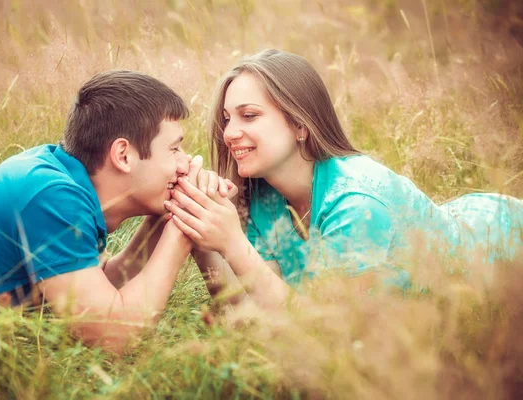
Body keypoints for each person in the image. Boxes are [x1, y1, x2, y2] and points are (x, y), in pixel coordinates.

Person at [164, 49, 523, 308]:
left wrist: (233, 244)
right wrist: (201, 232)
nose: (230, 133)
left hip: (502, 249)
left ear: (300, 124)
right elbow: (249, 309)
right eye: (228, 119)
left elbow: (325, 337)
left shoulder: (355, 205)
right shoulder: (264, 194)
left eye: (250, 115)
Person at [0, 70, 234, 353]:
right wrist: (182, 230)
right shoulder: (51, 196)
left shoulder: (66, 181)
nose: (185, 164)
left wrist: (166, 221)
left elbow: (100, 287)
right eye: (174, 149)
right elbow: (113, 336)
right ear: (123, 155)